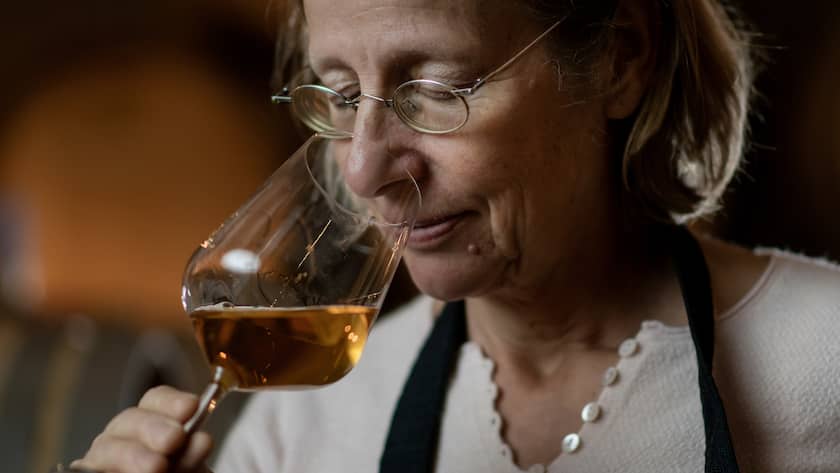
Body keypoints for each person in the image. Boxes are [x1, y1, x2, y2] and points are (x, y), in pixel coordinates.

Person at [70, 0, 840, 472]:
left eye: (433, 89)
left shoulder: (822, 359)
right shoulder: (301, 424)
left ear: (620, 58)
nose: (366, 169)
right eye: (339, 95)